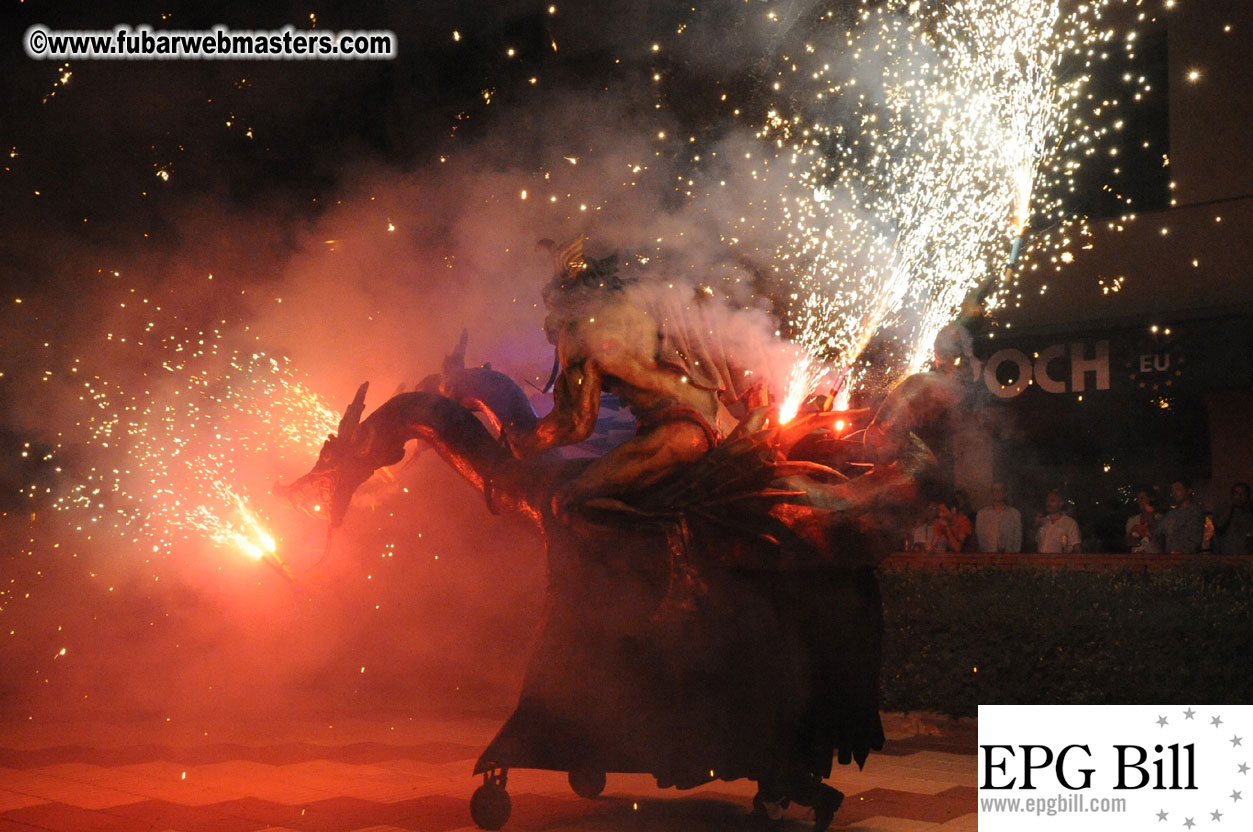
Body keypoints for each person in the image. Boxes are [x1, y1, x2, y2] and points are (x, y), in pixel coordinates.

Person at [1157, 478, 1205, 554]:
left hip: (1185, 559)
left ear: (1188, 491)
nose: (1175, 493)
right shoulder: (1171, 514)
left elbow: (1194, 538)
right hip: (1170, 558)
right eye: (1173, 490)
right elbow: (1159, 531)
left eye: (1178, 489)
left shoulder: (1194, 512)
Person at [975, 482, 1023, 553]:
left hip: (1009, 558)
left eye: (1000, 490)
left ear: (1005, 493)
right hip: (988, 557)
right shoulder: (982, 514)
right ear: (991, 493)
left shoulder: (1014, 514)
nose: (997, 493)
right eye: (995, 490)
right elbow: (980, 537)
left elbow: (1017, 538)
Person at [1214, 481, 1253, 555]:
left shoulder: (1249, 513)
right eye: (1236, 493)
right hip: (1227, 554)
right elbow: (1219, 526)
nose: (1239, 497)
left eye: (1243, 494)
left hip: (1246, 555)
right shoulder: (1223, 510)